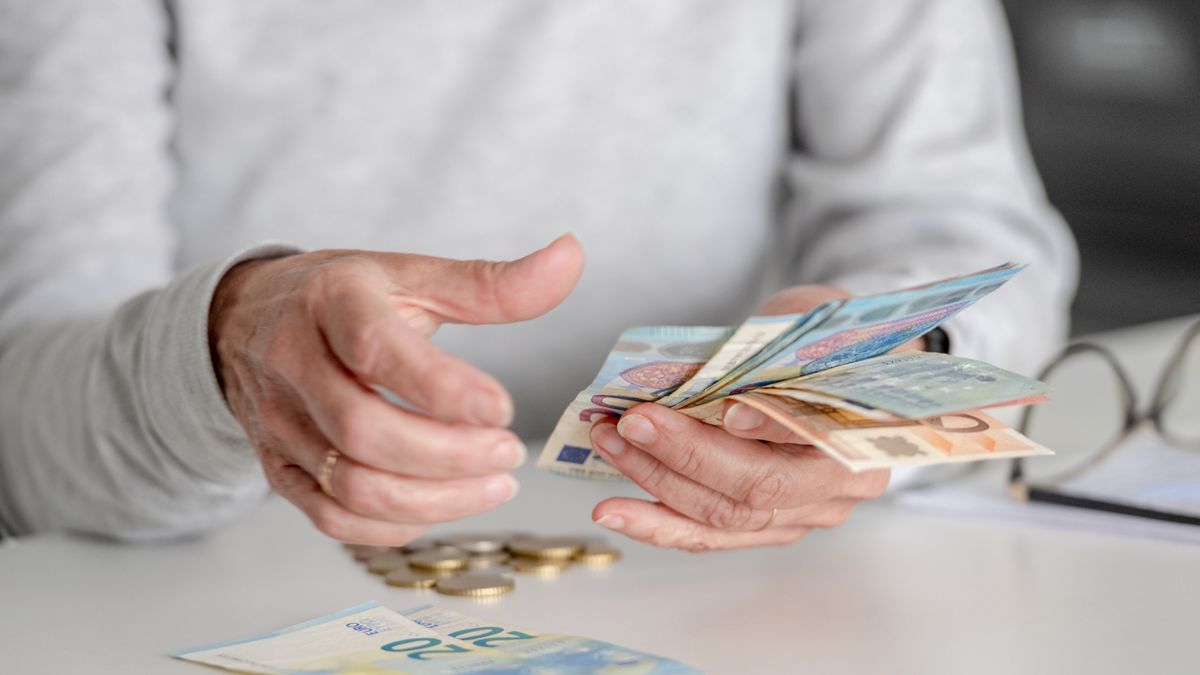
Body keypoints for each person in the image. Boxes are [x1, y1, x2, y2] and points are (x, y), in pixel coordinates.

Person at [0, 0, 1077, 550]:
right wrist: (222, 347)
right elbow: (23, 432)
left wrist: (873, 385)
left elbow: (974, 236)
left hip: (723, 599)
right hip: (211, 586)